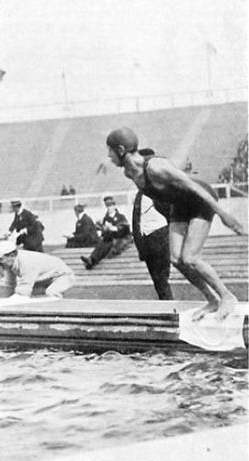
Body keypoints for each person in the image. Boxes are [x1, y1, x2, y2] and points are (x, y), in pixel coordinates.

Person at [106, 127, 245, 320]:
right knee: (175, 258)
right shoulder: (129, 173)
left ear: (120, 149)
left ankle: (227, 297)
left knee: (189, 258)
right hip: (179, 206)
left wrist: (223, 214)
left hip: (199, 201)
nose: (108, 156)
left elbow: (192, 185)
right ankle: (212, 300)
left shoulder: (156, 167)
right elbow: (160, 197)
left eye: (110, 151)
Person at [0, 241, 75, 298]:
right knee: (34, 296)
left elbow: (23, 292)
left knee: (51, 293)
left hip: (63, 276)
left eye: (1, 259)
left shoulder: (26, 262)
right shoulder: (8, 264)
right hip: (46, 278)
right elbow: (10, 286)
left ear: (12, 255)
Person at [132, 188, 173, 300]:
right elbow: (136, 220)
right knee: (156, 278)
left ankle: (169, 305)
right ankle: (166, 303)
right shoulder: (139, 195)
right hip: (146, 239)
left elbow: (171, 214)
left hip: (160, 235)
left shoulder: (160, 192)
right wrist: (140, 246)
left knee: (162, 277)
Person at [80, 196, 131, 269]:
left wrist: (113, 228)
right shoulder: (106, 218)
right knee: (102, 243)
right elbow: (104, 231)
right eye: (107, 206)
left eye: (110, 206)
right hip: (109, 237)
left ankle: (92, 260)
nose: (109, 208)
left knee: (108, 244)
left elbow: (124, 228)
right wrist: (102, 228)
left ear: (114, 206)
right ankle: (91, 259)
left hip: (119, 238)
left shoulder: (120, 216)